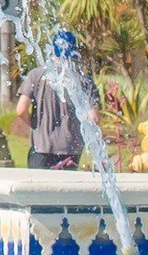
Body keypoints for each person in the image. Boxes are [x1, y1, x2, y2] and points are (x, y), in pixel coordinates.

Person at [15, 29, 97, 170]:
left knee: (37, 190)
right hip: (71, 149)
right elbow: (94, 118)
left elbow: (21, 110)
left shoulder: (36, 75)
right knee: (65, 190)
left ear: (53, 50)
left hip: (41, 147)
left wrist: (37, 126)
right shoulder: (84, 80)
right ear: (75, 50)